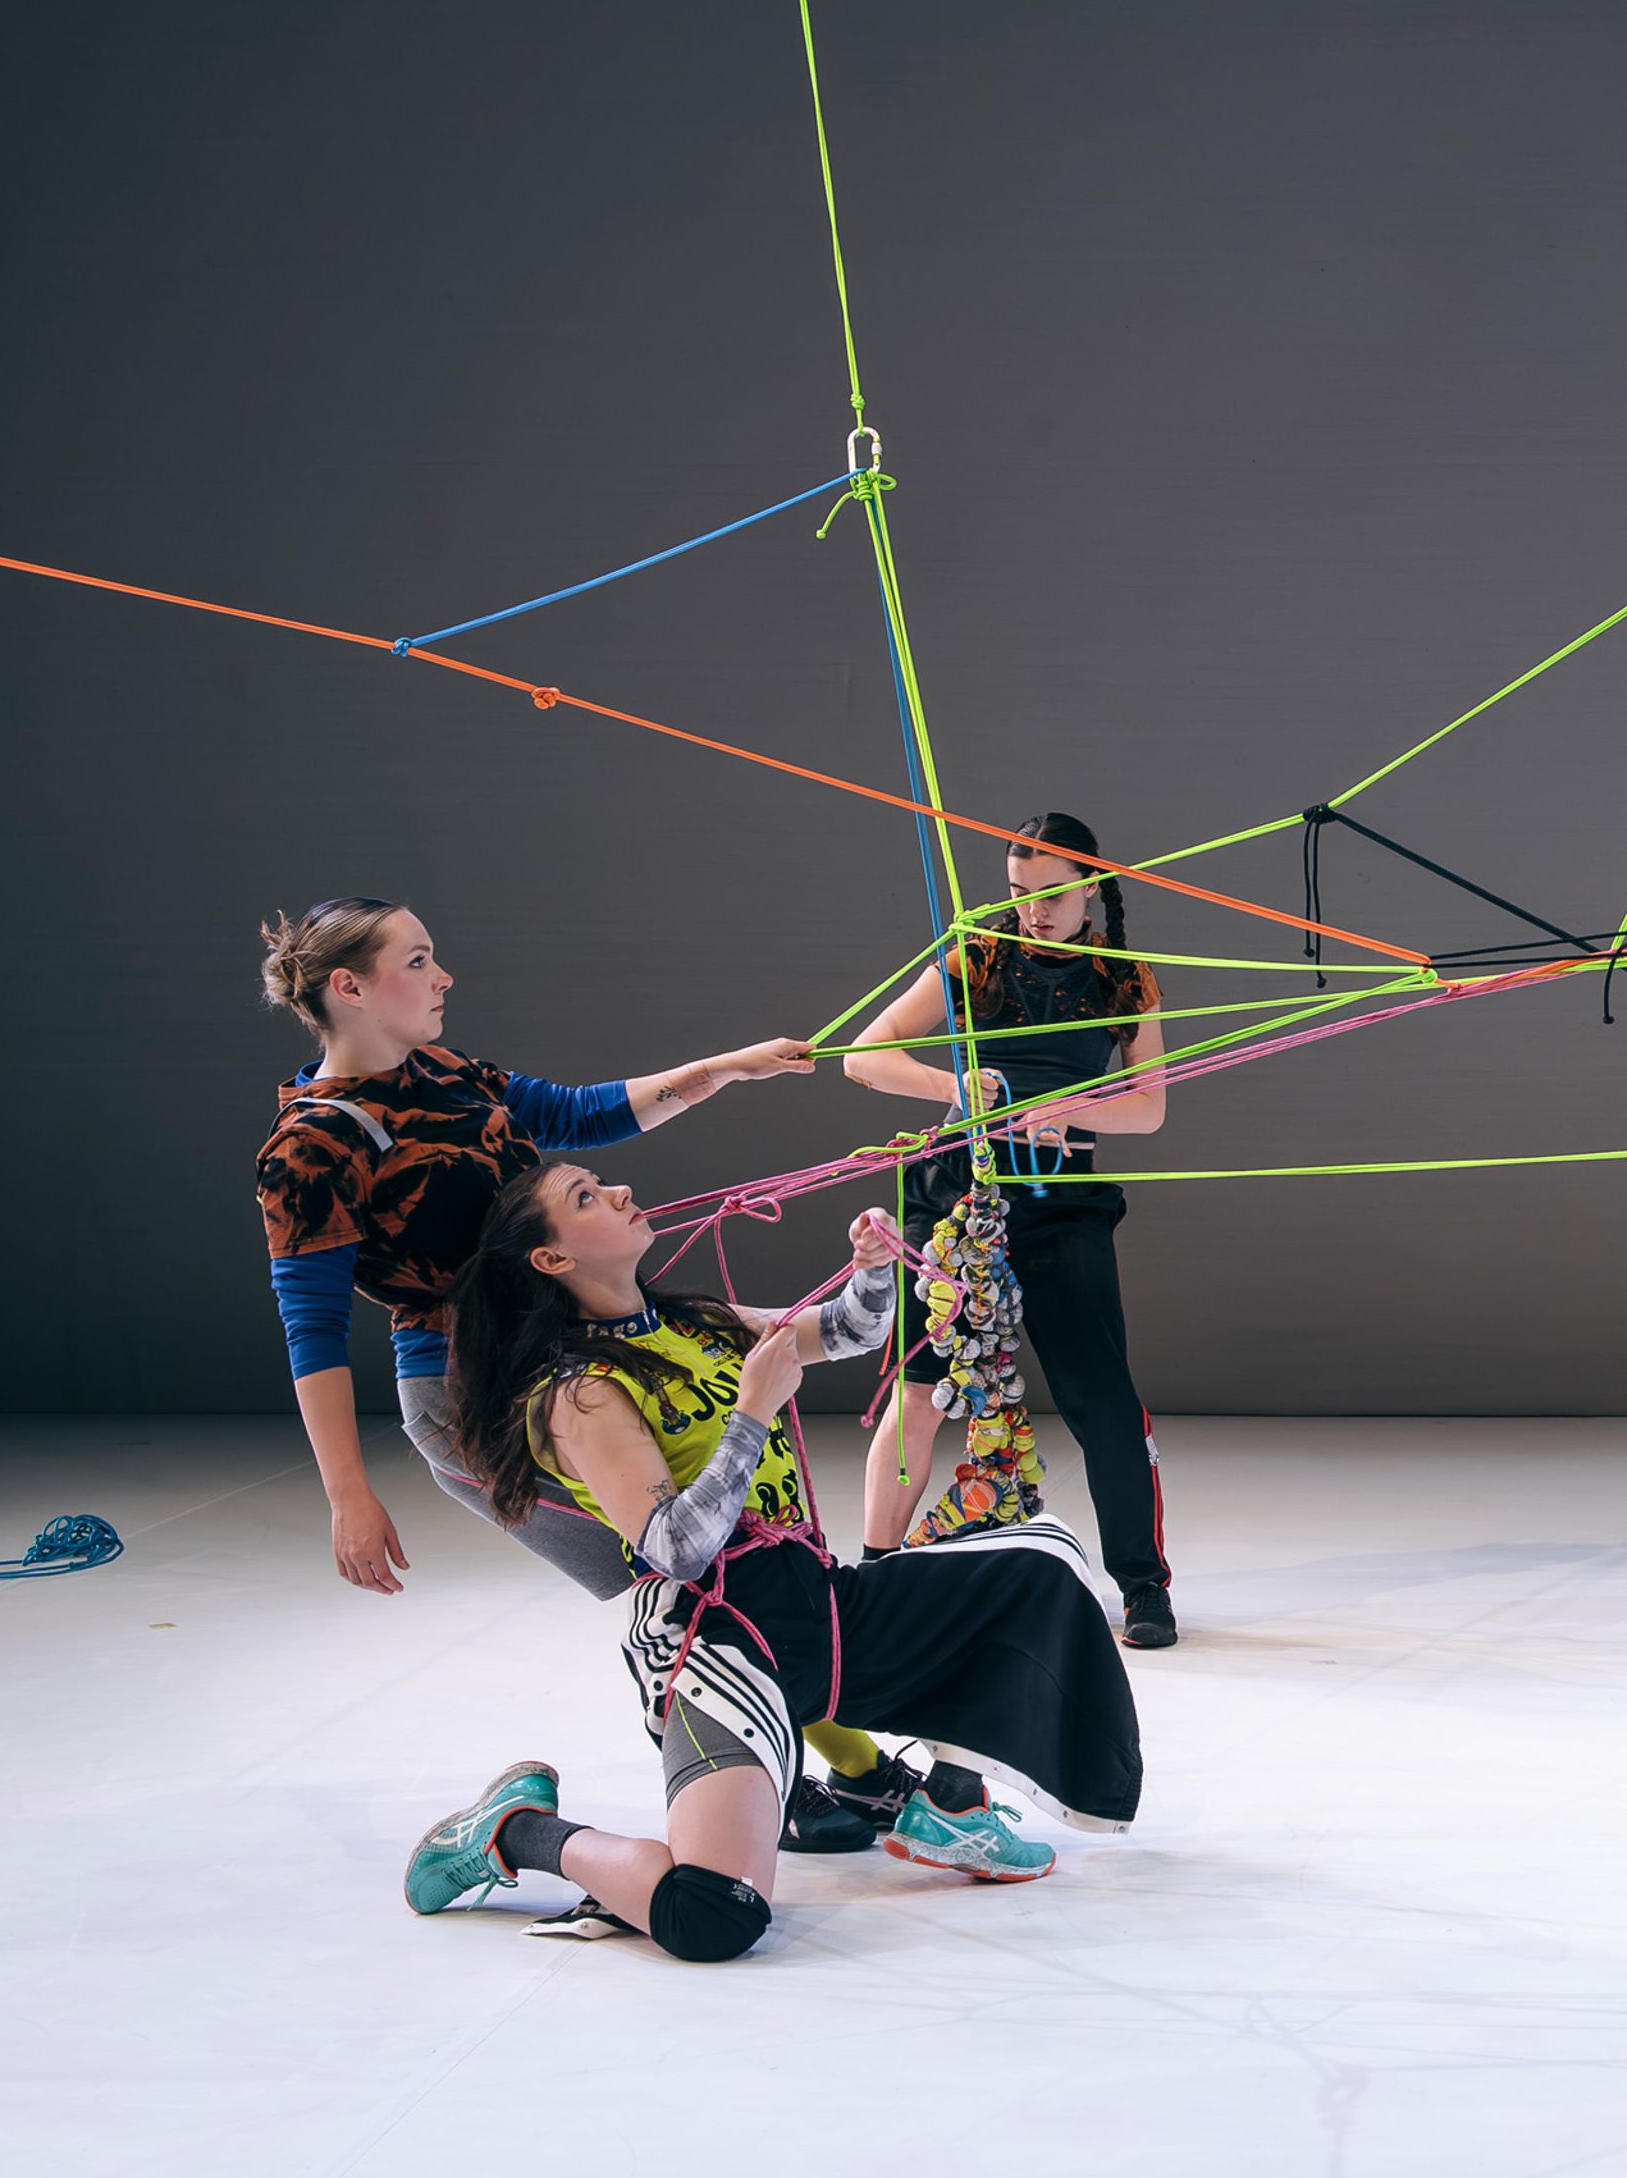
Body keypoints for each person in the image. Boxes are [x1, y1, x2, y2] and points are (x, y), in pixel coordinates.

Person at [253, 897, 913, 1854]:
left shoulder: (445, 1071)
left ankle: (829, 1777)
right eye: (420, 961)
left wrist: (722, 1070)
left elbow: (575, 1112)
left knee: (719, 1575)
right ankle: (812, 1782)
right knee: (690, 1582)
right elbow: (310, 1331)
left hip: (585, 1365)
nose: (443, 979)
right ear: (349, 988)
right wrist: (348, 1497)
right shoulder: (310, 1147)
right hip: (482, 1404)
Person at [402, 1166, 1146, 1962]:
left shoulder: (698, 1321)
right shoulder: (579, 1392)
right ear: (550, 1260)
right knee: (714, 1916)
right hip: (717, 1645)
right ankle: (515, 1832)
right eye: (586, 1199)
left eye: (606, 1183)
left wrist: (869, 1269)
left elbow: (848, 1331)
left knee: (1042, 1560)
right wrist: (752, 1411)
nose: (620, 1193)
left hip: (816, 1604)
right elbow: (677, 1551)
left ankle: (950, 1808)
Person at [843, 814, 1180, 1650]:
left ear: (1094, 884)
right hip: (954, 1200)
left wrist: (1066, 1106)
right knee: (919, 1391)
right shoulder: (976, 953)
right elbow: (864, 1054)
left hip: (1062, 1203)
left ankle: (1142, 1587)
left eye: (1054, 894)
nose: (1035, 911)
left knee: (1101, 1398)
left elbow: (1148, 1108)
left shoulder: (1123, 976)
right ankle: (874, 1574)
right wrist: (958, 1089)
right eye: (1020, 894)